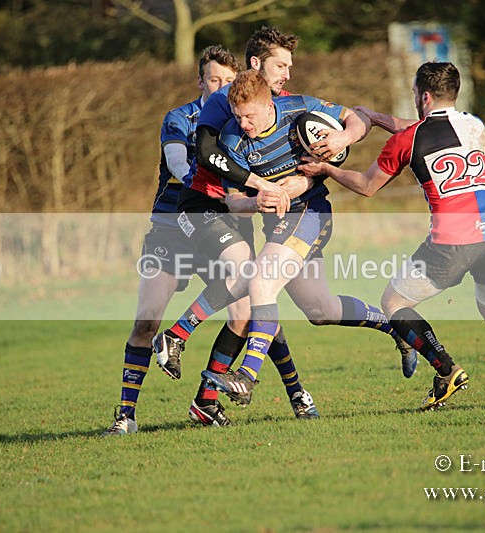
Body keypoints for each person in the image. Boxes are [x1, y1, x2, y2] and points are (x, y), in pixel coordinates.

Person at [298, 61, 485, 409]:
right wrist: (380, 118)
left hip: (453, 242)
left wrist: (326, 169)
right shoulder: (475, 125)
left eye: (414, 94)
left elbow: (366, 186)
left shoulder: (407, 140)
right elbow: (430, 131)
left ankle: (446, 369)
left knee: (394, 304)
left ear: (423, 96)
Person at [199, 69, 412, 406]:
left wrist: (342, 139)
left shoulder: (298, 109)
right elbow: (232, 201)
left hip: (310, 214)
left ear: (269, 105)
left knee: (261, 281)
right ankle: (398, 328)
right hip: (279, 226)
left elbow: (356, 118)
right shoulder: (231, 140)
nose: (244, 124)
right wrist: (255, 202)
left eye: (250, 116)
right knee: (320, 309)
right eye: (238, 117)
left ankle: (246, 376)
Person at [153, 27, 327, 421]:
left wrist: (299, 180)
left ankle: (207, 400)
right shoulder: (221, 119)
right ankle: (177, 336)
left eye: (229, 83)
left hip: (231, 212)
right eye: (280, 65)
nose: (286, 73)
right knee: (253, 281)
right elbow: (207, 166)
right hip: (200, 207)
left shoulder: (272, 116)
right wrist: (263, 191)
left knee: (254, 307)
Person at [101, 45, 243, 436]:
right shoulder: (180, 118)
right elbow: (179, 164)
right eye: (214, 79)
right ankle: (126, 415)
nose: (221, 87)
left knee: (244, 308)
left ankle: (206, 401)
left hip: (215, 227)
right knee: (146, 321)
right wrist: (223, 184)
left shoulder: (242, 121)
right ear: (200, 81)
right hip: (171, 225)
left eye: (228, 81)